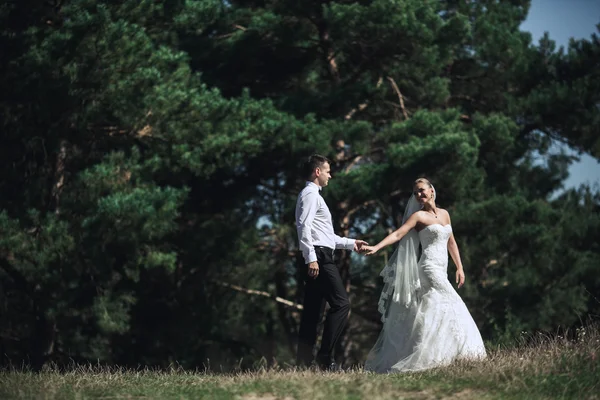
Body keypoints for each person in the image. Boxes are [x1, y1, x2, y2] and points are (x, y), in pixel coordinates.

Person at [360, 178, 486, 373]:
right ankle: (465, 352)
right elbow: (398, 234)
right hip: (428, 268)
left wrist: (459, 267)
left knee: (434, 308)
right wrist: (376, 247)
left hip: (442, 268)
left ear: (431, 190)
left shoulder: (445, 214)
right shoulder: (418, 217)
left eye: (421, 190)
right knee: (453, 302)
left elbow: (451, 242)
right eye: (416, 193)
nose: (419, 195)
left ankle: (443, 353)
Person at [295, 154, 368, 370]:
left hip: (319, 253)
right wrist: (312, 259)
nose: (330, 175)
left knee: (312, 313)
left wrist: (350, 243)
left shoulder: (314, 196)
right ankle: (325, 357)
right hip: (319, 258)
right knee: (341, 304)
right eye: (327, 171)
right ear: (317, 172)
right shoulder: (310, 194)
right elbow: (303, 227)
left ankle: (303, 364)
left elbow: (326, 236)